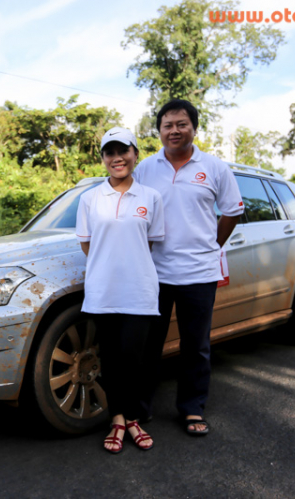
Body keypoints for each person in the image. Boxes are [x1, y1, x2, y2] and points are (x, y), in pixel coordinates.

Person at [132, 99, 244, 436]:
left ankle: (192, 408)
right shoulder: (145, 169)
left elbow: (232, 212)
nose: (174, 130)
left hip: (199, 273)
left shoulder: (214, 168)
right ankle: (140, 409)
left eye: (181, 124)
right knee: (149, 345)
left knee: (195, 346)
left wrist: (211, 246)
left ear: (194, 128)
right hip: (155, 273)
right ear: (159, 131)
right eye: (167, 125)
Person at [76, 127, 164, 454]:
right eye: (109, 153)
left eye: (123, 151)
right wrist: (109, 266)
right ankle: (118, 419)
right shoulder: (90, 199)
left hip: (140, 290)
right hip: (102, 291)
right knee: (111, 360)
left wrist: (128, 264)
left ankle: (133, 419)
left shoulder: (151, 198)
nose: (117, 159)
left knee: (134, 359)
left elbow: (151, 243)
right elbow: (87, 244)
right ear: (102, 159)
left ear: (135, 154)